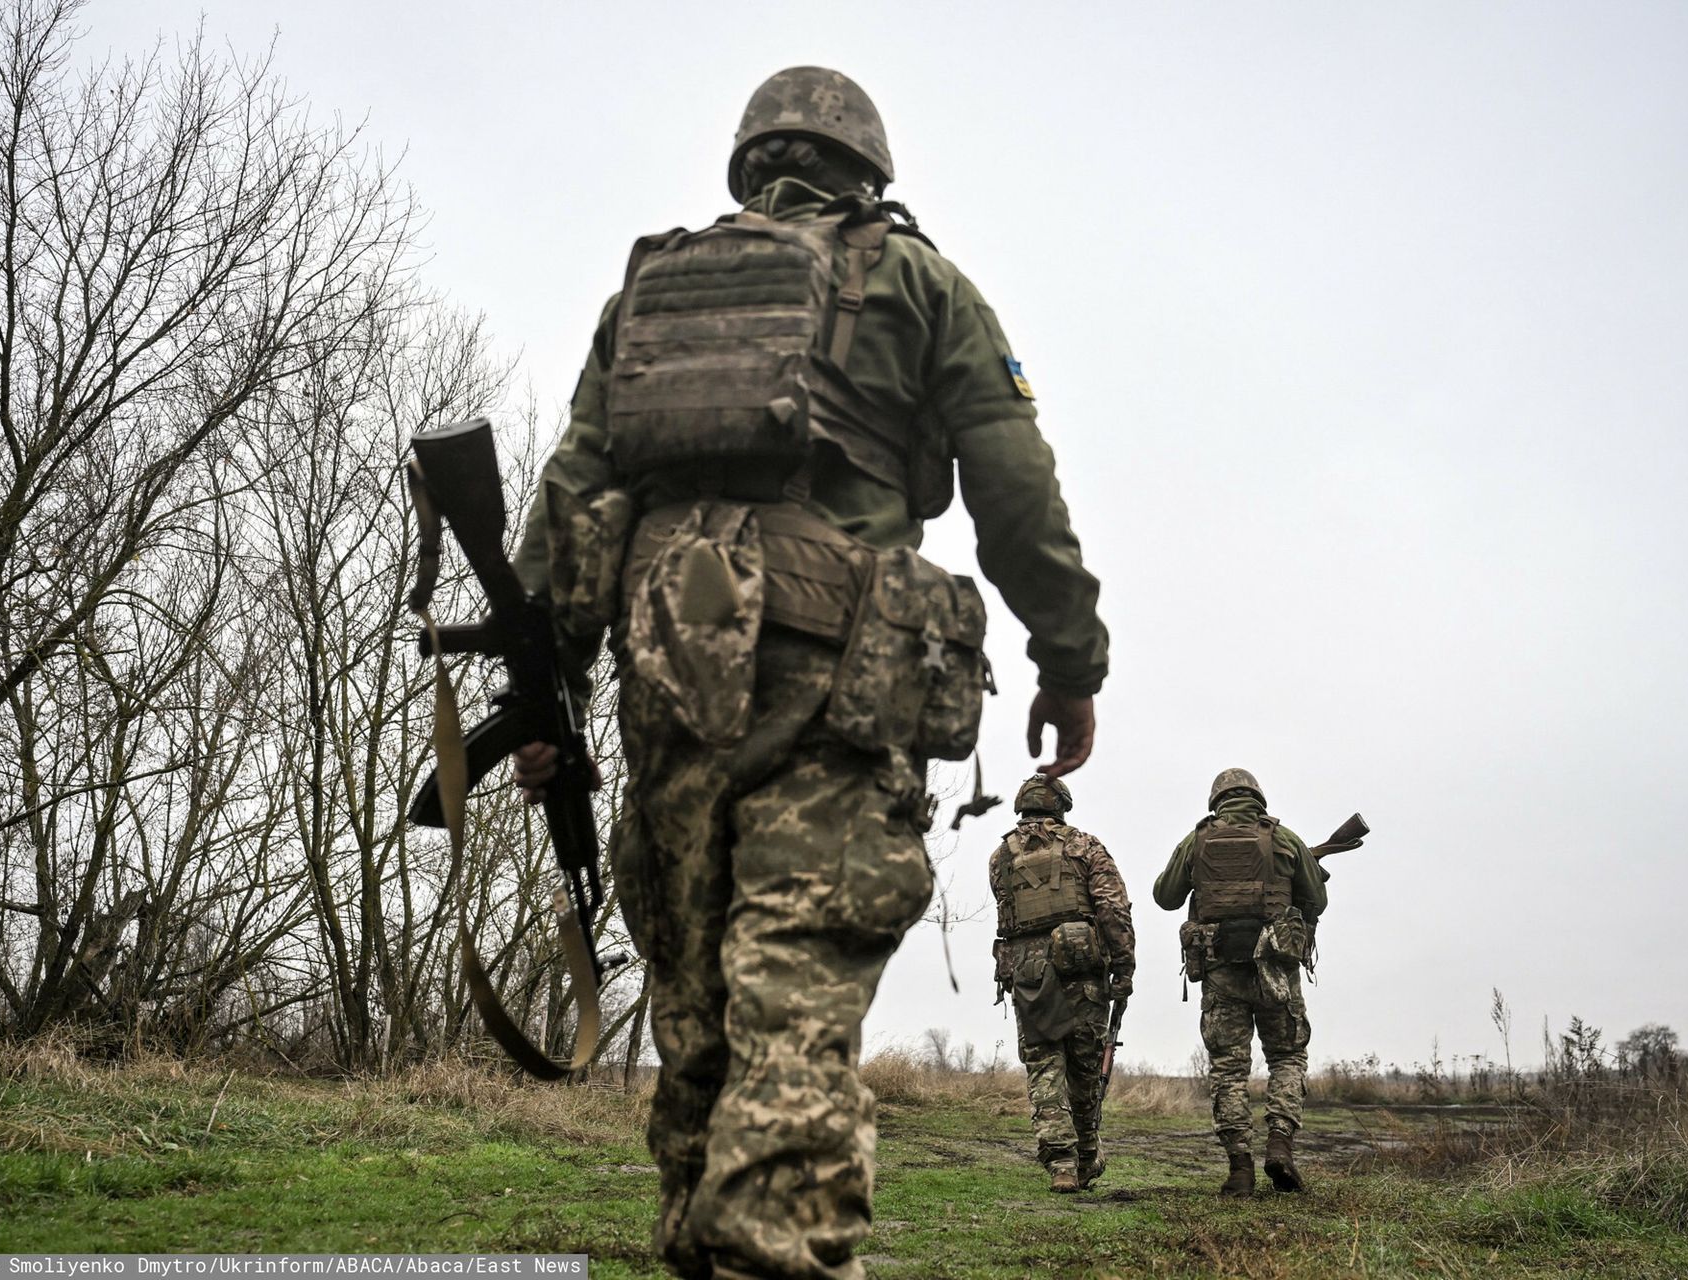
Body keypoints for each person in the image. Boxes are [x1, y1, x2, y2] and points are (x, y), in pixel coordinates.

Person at [508, 67, 1108, 1280]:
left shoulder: (650, 295)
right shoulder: (918, 282)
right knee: (791, 1034)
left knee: (701, 1048)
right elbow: (1013, 485)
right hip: (837, 684)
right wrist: (1069, 656)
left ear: (752, 165)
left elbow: (570, 504)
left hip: (671, 691)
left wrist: (543, 690)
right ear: (869, 170)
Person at [1152, 768, 1326, 1195]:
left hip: (1221, 969)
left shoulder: (1197, 840)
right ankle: (1281, 1145)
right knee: (1286, 1057)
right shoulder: (1284, 839)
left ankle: (1240, 1170)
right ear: (1258, 798)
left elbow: (1164, 896)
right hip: (1277, 970)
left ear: (1217, 800)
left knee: (1228, 1069)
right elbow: (1316, 900)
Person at [989, 773, 1135, 1193]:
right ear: (1061, 805)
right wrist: (1123, 967)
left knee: (1044, 1065)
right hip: (1082, 969)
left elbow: (1010, 914)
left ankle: (1062, 1165)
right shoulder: (1084, 846)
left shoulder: (1000, 856)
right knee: (1085, 1066)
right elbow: (1112, 909)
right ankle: (1086, 1154)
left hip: (1028, 973)